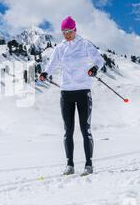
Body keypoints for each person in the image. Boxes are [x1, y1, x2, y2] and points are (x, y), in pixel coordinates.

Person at [39, 16, 104, 176]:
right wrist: (45, 73)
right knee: (68, 130)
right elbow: (52, 64)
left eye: (69, 31)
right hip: (66, 93)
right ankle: (70, 165)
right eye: (64, 32)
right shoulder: (60, 48)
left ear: (75, 30)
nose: (66, 35)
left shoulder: (84, 44)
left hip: (83, 92)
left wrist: (95, 68)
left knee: (85, 129)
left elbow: (99, 60)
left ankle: (88, 165)